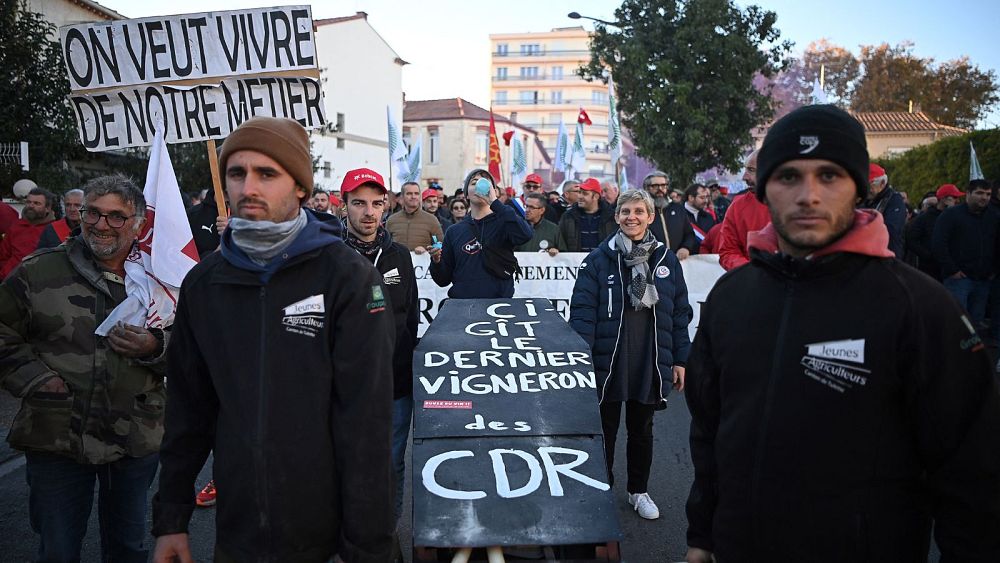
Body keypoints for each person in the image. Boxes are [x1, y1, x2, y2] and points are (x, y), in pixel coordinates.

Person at [684, 105, 1000, 562]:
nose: (808, 195)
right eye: (788, 176)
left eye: (829, 175)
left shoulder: (920, 307)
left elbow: (973, 472)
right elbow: (709, 431)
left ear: (858, 187)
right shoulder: (732, 297)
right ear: (763, 188)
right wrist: (702, 536)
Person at [152, 117, 395, 562]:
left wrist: (370, 547)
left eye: (267, 174)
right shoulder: (205, 284)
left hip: (326, 537)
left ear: (300, 186)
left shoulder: (346, 276)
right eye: (236, 173)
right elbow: (188, 411)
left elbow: (366, 427)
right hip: (238, 534)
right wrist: (171, 519)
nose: (248, 187)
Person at [0, 174, 166, 562]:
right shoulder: (38, 271)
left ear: (139, 223)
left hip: (135, 436)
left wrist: (156, 344)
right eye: (92, 212)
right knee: (58, 549)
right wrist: (34, 378)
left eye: (115, 217)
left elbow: (197, 344)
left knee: (128, 548)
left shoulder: (163, 279)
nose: (100, 224)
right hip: (56, 435)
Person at [569, 188, 691, 522]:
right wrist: (580, 360)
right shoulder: (598, 259)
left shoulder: (665, 260)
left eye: (639, 211)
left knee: (642, 429)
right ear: (616, 216)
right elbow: (581, 313)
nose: (632, 217)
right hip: (607, 361)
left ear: (650, 217)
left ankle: (639, 491)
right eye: (625, 211)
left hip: (648, 361)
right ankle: (602, 487)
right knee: (604, 429)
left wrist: (680, 359)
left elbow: (680, 312)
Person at [340, 168, 418, 559]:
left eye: (376, 203)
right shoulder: (329, 258)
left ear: (386, 205)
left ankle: (385, 535)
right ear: (344, 207)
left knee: (391, 464)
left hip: (394, 385)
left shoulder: (400, 256)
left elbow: (412, 315)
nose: (369, 212)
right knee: (346, 463)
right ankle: (350, 535)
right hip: (344, 388)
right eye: (359, 203)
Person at [429, 169, 532, 298]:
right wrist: (436, 261)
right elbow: (442, 280)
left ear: (493, 191)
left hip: (498, 306)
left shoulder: (504, 220)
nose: (479, 186)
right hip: (464, 307)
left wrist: (495, 203)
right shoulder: (454, 231)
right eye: (473, 183)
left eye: (484, 182)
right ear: (466, 194)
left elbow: (525, 235)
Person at [932, 179, 999, 334]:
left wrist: (993, 270)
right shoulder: (951, 215)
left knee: (975, 323)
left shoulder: (993, 217)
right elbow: (938, 244)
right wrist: (952, 269)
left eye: (988, 194)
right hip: (958, 279)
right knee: (956, 320)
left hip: (983, 279)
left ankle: (971, 355)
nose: (984, 197)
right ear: (968, 194)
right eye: (979, 193)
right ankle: (952, 354)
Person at [716, 150, 771, 270]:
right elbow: (728, 252)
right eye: (745, 170)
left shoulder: (800, 202)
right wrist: (752, 272)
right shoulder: (737, 207)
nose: (744, 177)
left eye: (751, 170)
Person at [906, 183, 963, 279]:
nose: (958, 201)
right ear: (944, 199)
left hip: (953, 269)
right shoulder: (924, 218)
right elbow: (911, 239)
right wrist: (928, 256)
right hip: (931, 270)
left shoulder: (957, 217)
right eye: (954, 197)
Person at [0, 187, 56, 278]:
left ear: (47, 208)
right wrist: (6, 272)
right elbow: (3, 255)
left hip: (38, 284)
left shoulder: (54, 229)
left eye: (36, 203)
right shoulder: (16, 226)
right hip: (8, 282)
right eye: (29, 202)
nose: (31, 206)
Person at [642, 172, 697, 259]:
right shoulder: (642, 211)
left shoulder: (679, 209)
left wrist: (686, 247)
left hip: (678, 261)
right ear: (647, 188)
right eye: (656, 186)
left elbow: (689, 234)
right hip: (651, 263)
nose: (660, 189)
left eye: (663, 185)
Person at [861, 163, 906, 259]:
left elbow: (892, 229)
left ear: (882, 183)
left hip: (887, 255)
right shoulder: (866, 200)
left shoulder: (894, 200)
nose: (867, 190)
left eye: (870, 186)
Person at [558, 178, 616, 252]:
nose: (580, 196)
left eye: (585, 193)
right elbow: (559, 242)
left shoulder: (611, 217)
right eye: (579, 192)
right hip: (575, 263)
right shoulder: (568, 217)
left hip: (603, 263)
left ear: (596, 197)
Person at [386, 181, 444, 253]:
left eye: (416, 193)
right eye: (409, 193)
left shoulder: (431, 220)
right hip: (398, 262)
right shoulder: (392, 220)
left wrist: (426, 250)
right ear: (402, 196)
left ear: (420, 196)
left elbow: (439, 244)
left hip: (423, 262)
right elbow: (386, 245)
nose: (413, 196)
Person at [683, 183, 716, 249]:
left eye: (707, 197)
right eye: (702, 197)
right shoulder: (678, 215)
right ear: (691, 198)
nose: (706, 201)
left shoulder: (708, 217)